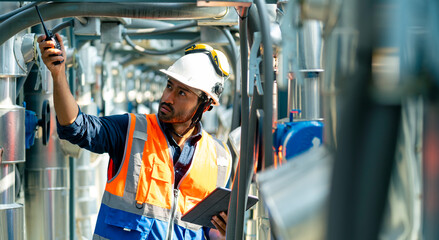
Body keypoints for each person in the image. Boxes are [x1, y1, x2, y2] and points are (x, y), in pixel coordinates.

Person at [38, 34, 233, 240]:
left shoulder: (219, 158)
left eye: (182, 92)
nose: (168, 97)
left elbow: (211, 232)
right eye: (169, 86)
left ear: (206, 105)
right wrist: (58, 74)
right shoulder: (130, 130)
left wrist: (226, 231)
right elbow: (76, 126)